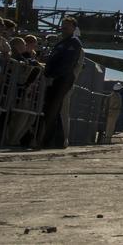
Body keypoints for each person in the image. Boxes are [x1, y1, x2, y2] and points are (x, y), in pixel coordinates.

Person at [40, 17, 83, 149]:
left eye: (67, 26)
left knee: (53, 108)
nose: (64, 28)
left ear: (73, 28)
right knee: (52, 109)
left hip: (62, 79)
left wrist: (54, 75)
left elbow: (67, 64)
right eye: (63, 25)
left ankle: (51, 141)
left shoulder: (73, 43)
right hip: (56, 78)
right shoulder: (61, 43)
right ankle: (56, 140)